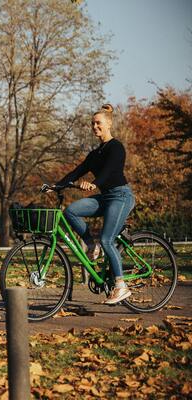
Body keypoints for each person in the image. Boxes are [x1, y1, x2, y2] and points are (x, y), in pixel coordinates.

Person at [54, 104, 136, 304]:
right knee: (71, 211)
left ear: (108, 124)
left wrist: (93, 185)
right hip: (106, 197)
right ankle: (91, 245)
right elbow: (76, 172)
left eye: (98, 122)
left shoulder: (116, 147)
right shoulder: (94, 154)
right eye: (92, 123)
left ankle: (121, 286)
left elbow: (109, 171)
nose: (94, 126)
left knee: (107, 239)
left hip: (121, 196)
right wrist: (55, 186)